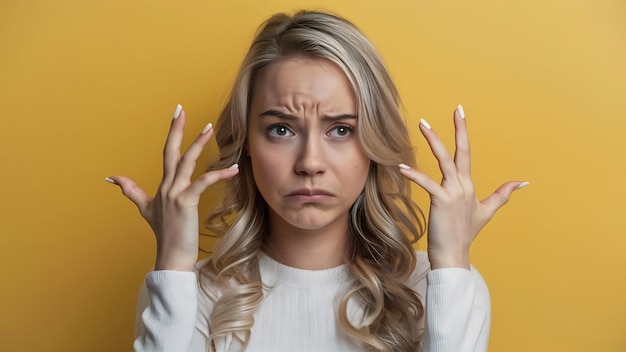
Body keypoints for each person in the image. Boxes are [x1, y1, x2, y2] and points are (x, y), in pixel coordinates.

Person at [106, 10, 528, 352]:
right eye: (281, 129)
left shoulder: (435, 286)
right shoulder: (189, 292)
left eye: (341, 129)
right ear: (247, 142)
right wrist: (174, 266)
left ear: (373, 142)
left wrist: (452, 265)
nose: (310, 163)